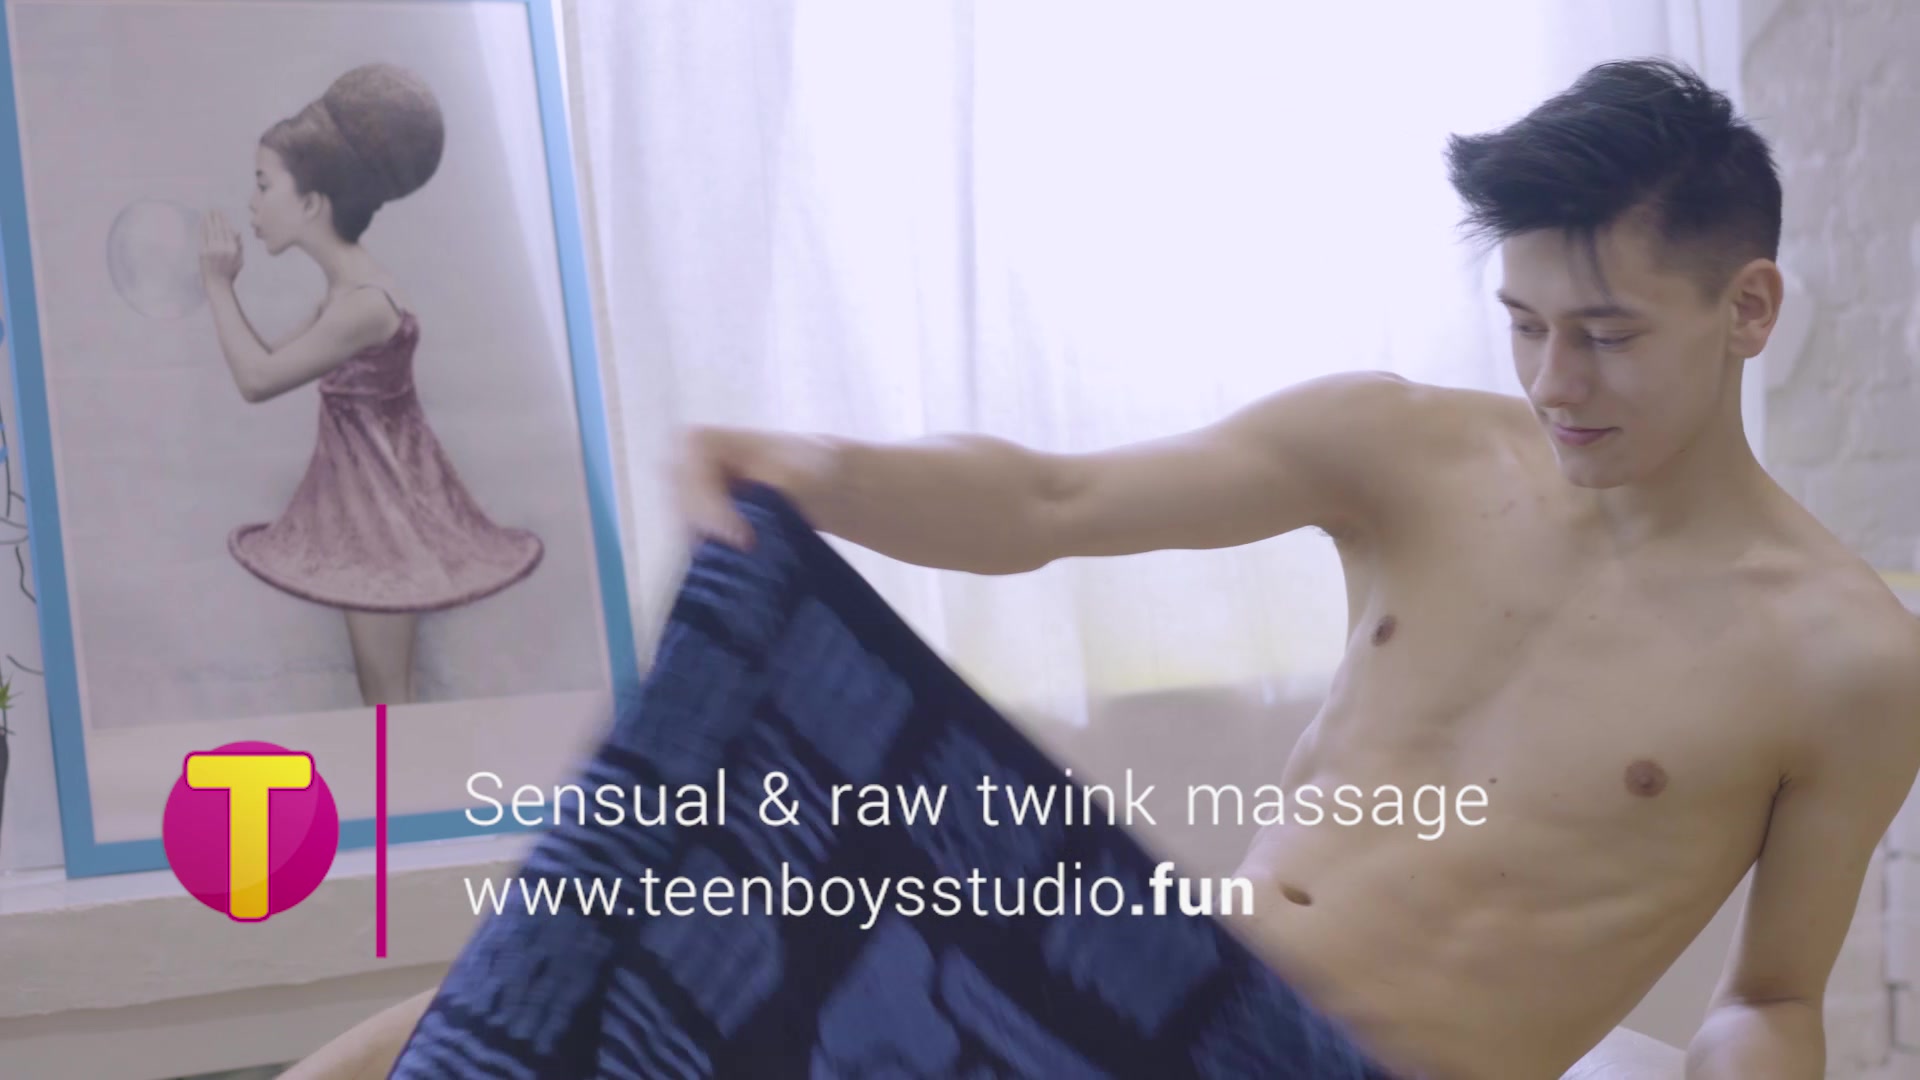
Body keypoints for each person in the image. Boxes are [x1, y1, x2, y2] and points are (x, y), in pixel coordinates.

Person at [668, 59, 1920, 1078]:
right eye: (1525, 325)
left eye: (1607, 336)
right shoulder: (1403, 449)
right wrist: (818, 471)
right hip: (1161, 1017)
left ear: (1748, 310)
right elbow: (1052, 499)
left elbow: (1769, 999)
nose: (1554, 383)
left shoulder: (1844, 658)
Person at [198, 63, 543, 708]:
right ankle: (393, 777)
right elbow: (271, 360)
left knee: (385, 695)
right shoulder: (347, 292)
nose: (253, 203)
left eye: (264, 185)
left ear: (311, 203)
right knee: (381, 693)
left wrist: (217, 286)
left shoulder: (362, 304)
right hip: (367, 512)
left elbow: (257, 379)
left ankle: (397, 780)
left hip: (386, 518)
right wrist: (228, 290)